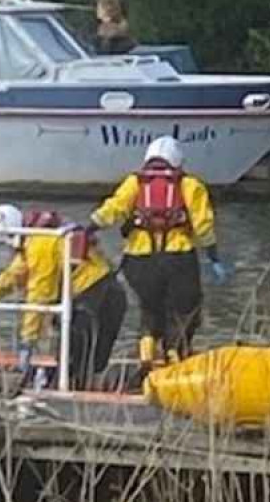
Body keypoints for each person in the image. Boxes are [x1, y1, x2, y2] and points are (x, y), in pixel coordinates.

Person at [88, 136, 229, 369]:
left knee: (149, 308)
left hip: (138, 259)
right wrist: (213, 257)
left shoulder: (135, 182)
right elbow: (204, 225)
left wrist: (90, 227)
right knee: (185, 310)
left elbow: (113, 209)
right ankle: (174, 356)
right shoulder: (190, 185)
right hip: (178, 257)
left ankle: (146, 356)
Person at [0, 205, 127, 390]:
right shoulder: (40, 238)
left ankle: (73, 393)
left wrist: (28, 339)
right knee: (89, 359)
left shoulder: (40, 245)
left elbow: (40, 294)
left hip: (93, 298)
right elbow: (17, 272)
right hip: (109, 292)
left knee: (76, 360)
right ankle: (84, 386)